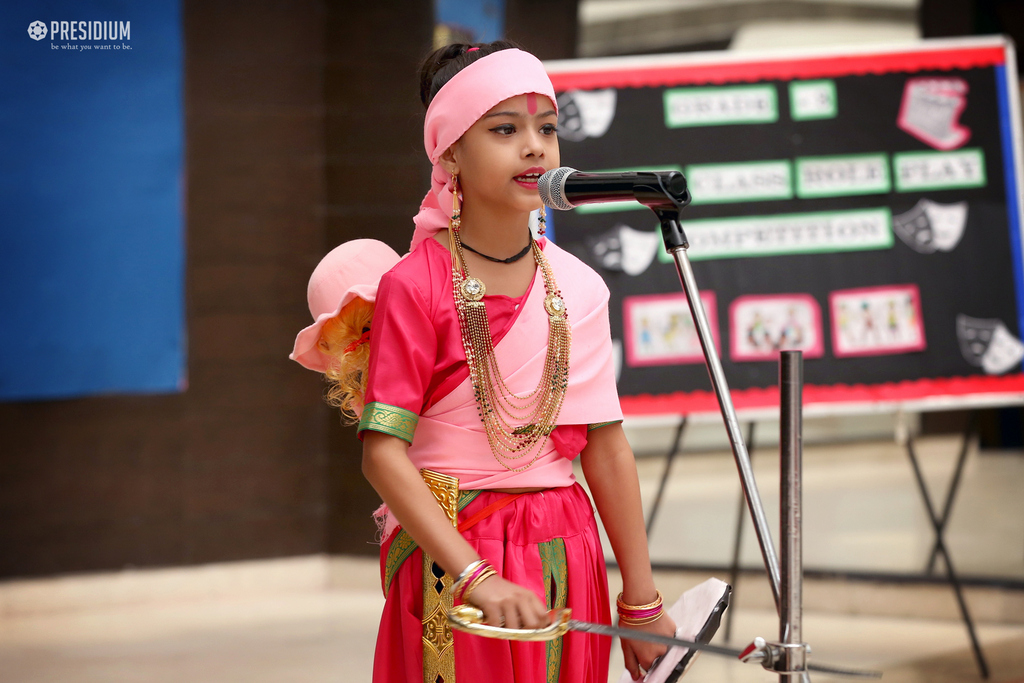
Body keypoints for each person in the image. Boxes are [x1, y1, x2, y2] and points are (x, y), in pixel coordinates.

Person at [295, 41, 678, 683]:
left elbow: (606, 448)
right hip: (456, 549)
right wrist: (475, 575)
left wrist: (641, 601)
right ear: (448, 153)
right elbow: (382, 453)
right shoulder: (414, 287)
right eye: (505, 129)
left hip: (565, 546)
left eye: (547, 129)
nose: (535, 147)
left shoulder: (580, 287)